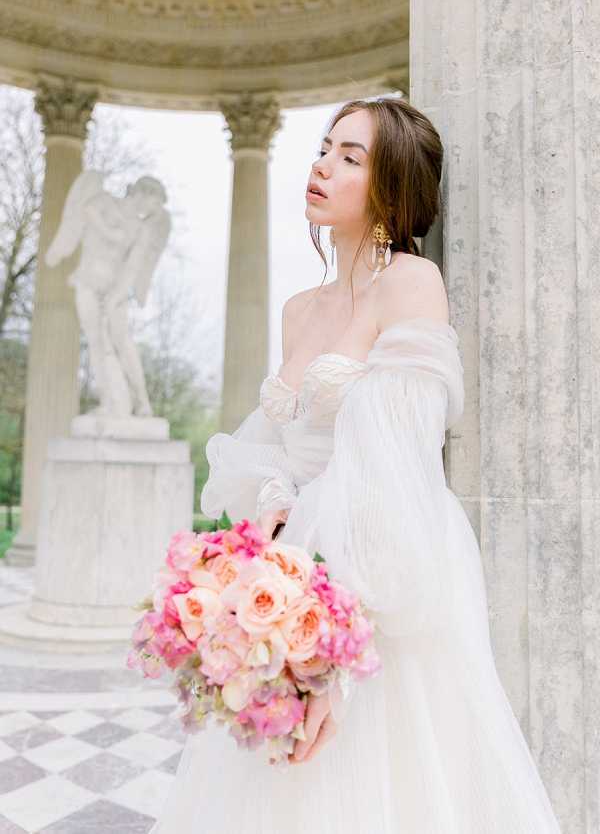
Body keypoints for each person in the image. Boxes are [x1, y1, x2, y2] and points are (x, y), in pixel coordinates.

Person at [149, 98, 562, 833]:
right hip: (298, 563)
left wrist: (335, 653)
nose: (321, 165)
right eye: (323, 147)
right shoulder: (300, 310)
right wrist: (275, 506)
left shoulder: (410, 284)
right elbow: (279, 443)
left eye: (350, 156)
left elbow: (396, 467)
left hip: (386, 563)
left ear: (390, 187)